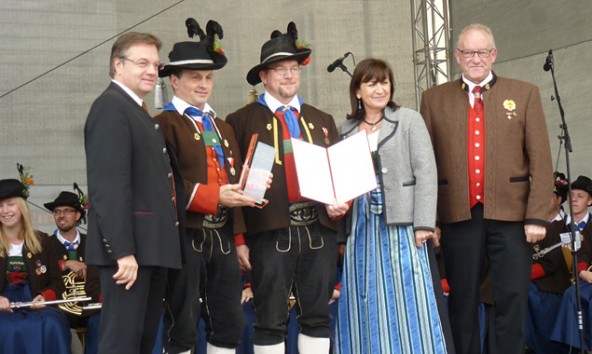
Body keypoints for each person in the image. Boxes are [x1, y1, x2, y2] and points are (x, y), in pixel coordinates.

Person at [420, 23, 554, 354]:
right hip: (458, 217)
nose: (475, 58)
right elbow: (425, 166)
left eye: (482, 52)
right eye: (468, 52)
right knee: (462, 302)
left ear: (493, 54)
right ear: (456, 56)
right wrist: (430, 218)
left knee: (511, 299)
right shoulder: (433, 99)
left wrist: (537, 215)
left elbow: (541, 160)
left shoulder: (524, 93)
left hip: (513, 217)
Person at [226, 22, 346, 354]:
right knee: (269, 318)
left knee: (317, 316)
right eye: (280, 69)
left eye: (293, 68)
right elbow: (230, 186)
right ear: (264, 76)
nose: (289, 76)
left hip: (318, 229)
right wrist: (238, 239)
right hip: (268, 231)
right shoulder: (240, 120)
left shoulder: (321, 120)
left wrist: (341, 207)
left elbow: (339, 178)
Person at [154, 19, 254, 354]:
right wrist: (212, 196)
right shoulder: (163, 124)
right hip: (185, 235)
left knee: (228, 322)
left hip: (223, 235)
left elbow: (234, 184)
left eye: (208, 77)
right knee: (182, 321)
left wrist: (240, 239)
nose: (203, 84)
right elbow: (163, 182)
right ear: (174, 80)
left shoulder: (222, 126)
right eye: (195, 77)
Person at [335, 58, 447, 353]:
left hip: (402, 225)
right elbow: (338, 183)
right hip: (360, 225)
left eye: (384, 82)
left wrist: (424, 223)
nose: (379, 89)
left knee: (408, 293)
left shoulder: (408, 120)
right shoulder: (344, 129)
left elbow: (426, 171)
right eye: (371, 83)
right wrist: (339, 234)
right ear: (357, 91)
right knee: (365, 294)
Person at [84, 31, 185, 354]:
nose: (152, 71)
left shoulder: (135, 110)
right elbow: (108, 187)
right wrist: (123, 251)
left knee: (141, 341)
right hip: (130, 254)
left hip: (149, 248)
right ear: (118, 65)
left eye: (156, 64)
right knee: (122, 343)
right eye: (142, 62)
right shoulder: (111, 108)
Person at [0, 179, 71, 354]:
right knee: (10, 328)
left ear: (22, 208)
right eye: (0, 206)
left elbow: (57, 281)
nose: (5, 211)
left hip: (33, 302)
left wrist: (44, 297)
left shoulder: (43, 240)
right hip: (3, 308)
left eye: (11, 204)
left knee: (53, 323)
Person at [44, 190, 101, 354]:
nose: (61, 215)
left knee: (103, 323)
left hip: (92, 307)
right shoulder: (44, 244)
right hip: (61, 308)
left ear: (77, 215)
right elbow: (38, 271)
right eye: (57, 211)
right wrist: (65, 264)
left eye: (67, 211)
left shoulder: (92, 242)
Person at [526, 173, 571, 354]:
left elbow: (552, 262)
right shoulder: (526, 225)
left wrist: (523, 274)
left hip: (553, 283)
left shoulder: (565, 225)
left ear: (559, 199)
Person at [550, 175, 592, 351]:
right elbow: (583, 253)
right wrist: (582, 272)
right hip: (561, 279)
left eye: (580, 196)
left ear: (590, 201)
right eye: (571, 195)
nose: (574, 199)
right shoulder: (555, 227)